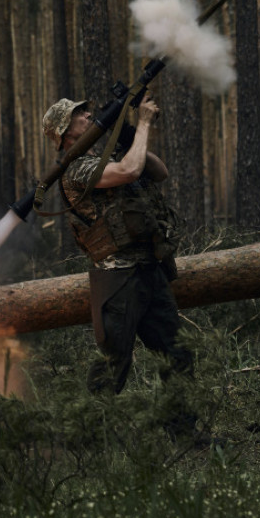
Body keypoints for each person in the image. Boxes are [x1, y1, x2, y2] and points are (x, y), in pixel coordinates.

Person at [42, 94, 193, 395]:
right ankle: (93, 438)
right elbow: (129, 171)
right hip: (119, 280)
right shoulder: (76, 169)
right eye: (78, 114)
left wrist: (128, 132)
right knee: (113, 366)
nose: (87, 115)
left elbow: (159, 172)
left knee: (178, 355)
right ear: (65, 132)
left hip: (150, 270)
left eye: (86, 110)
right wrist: (145, 124)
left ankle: (185, 436)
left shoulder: (108, 159)